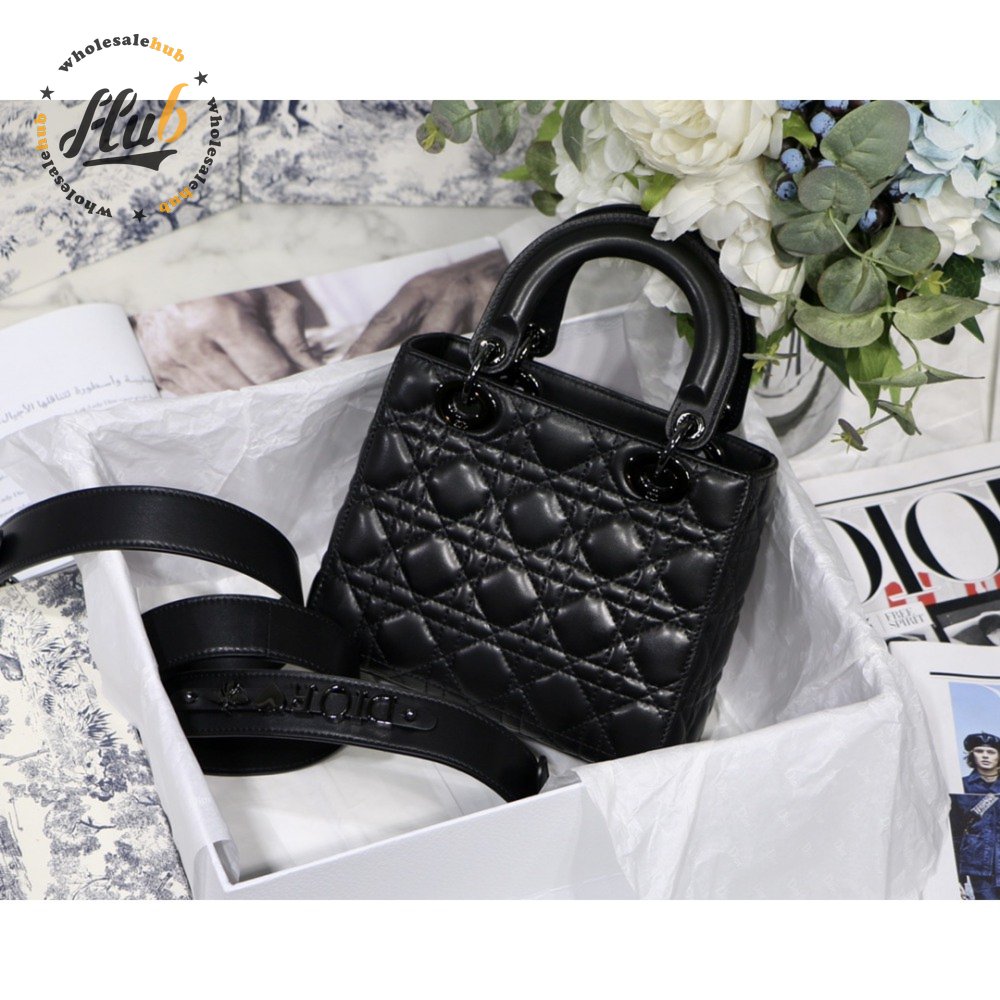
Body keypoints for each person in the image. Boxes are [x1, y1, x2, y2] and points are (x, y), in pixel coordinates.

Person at [951, 731, 1000, 899]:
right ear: (972, 755)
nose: (985, 756)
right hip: (979, 866)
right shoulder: (960, 786)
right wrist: (957, 878)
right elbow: (955, 833)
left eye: (991, 752)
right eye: (979, 751)